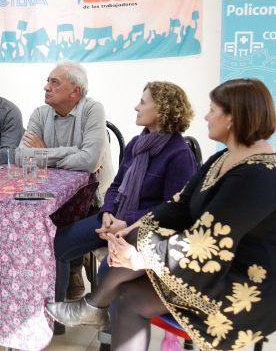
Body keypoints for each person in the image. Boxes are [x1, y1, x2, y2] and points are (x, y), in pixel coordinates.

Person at [46, 78, 276, 351]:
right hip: (212, 266)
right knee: (131, 294)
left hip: (245, 285)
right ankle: (93, 307)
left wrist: (140, 258)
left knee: (130, 263)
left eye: (212, 110)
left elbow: (208, 242)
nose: (206, 117)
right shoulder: (222, 159)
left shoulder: (258, 175)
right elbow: (178, 205)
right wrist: (130, 228)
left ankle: (92, 306)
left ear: (233, 117)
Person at [52, 82, 197, 344]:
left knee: (111, 267)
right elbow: (117, 185)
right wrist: (108, 211)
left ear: (162, 109)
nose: (136, 107)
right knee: (58, 245)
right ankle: (55, 322)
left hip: (144, 228)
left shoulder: (179, 154)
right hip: (114, 218)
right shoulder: (137, 143)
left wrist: (126, 222)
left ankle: (109, 338)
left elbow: (172, 210)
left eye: (143, 102)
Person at [16, 59, 115, 303]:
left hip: (93, 198)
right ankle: (33, 283)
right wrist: (72, 152)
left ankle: (70, 271)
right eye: (47, 81)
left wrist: (44, 154)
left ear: (75, 91)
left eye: (54, 82)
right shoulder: (40, 113)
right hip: (49, 194)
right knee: (23, 215)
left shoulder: (93, 110)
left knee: (67, 213)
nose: (46, 87)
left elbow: (89, 162)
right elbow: (20, 157)